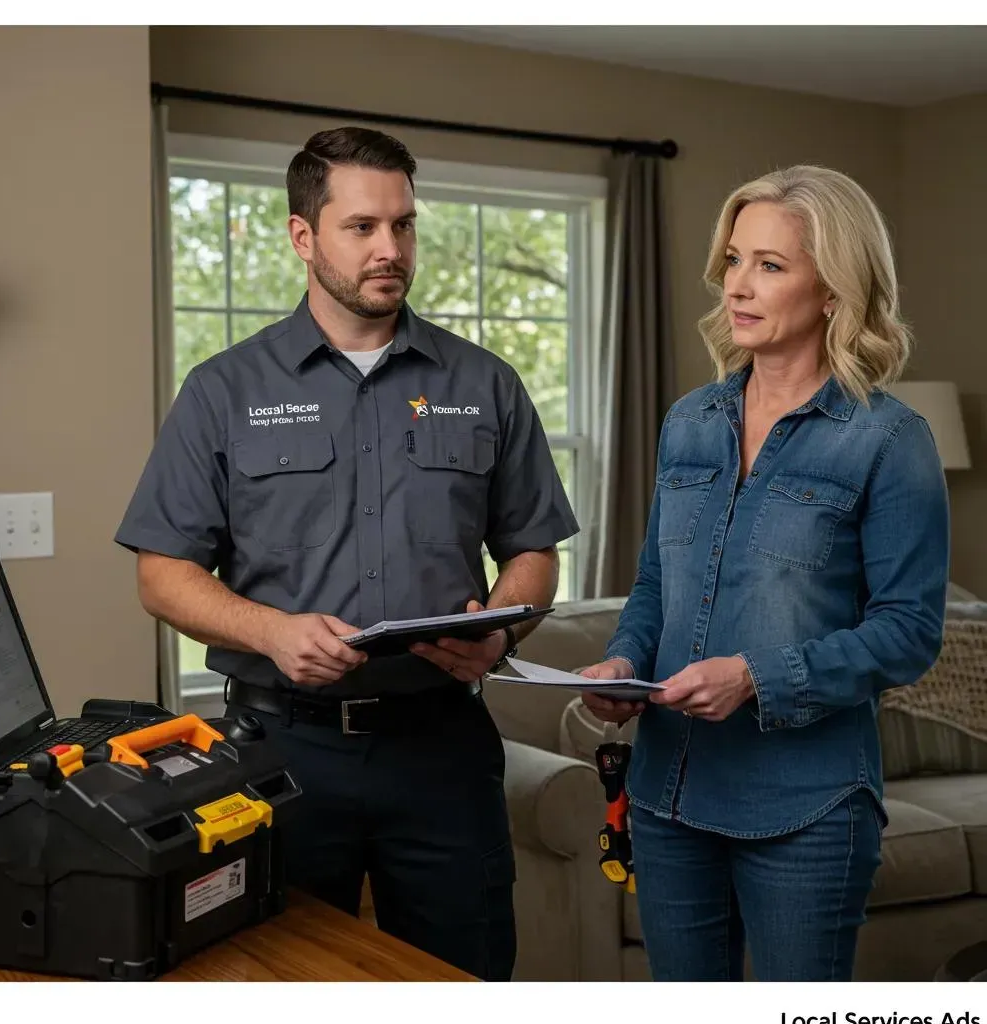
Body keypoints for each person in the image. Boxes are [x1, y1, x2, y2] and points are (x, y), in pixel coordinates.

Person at [115, 126, 578, 981]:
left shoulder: (485, 383)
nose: (390, 249)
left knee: (465, 978)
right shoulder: (224, 391)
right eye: (362, 227)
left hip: (443, 745)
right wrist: (272, 631)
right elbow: (162, 573)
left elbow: (534, 551)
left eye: (403, 225)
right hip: (284, 750)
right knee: (285, 978)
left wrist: (503, 633)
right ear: (304, 236)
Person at [578, 164, 949, 982]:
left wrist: (755, 676)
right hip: (666, 795)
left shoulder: (890, 442)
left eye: (770, 266)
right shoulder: (689, 421)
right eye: (736, 260)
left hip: (806, 810)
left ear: (834, 291)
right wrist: (624, 662)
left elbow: (911, 631)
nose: (738, 287)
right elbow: (654, 589)